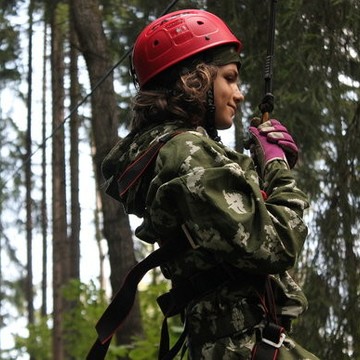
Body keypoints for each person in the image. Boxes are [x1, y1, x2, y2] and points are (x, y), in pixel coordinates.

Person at [98, 9, 319, 360]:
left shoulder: (178, 155)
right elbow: (278, 244)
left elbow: (232, 236)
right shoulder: (186, 152)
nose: (239, 94)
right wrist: (277, 169)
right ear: (195, 80)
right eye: (229, 78)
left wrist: (270, 170)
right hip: (241, 346)